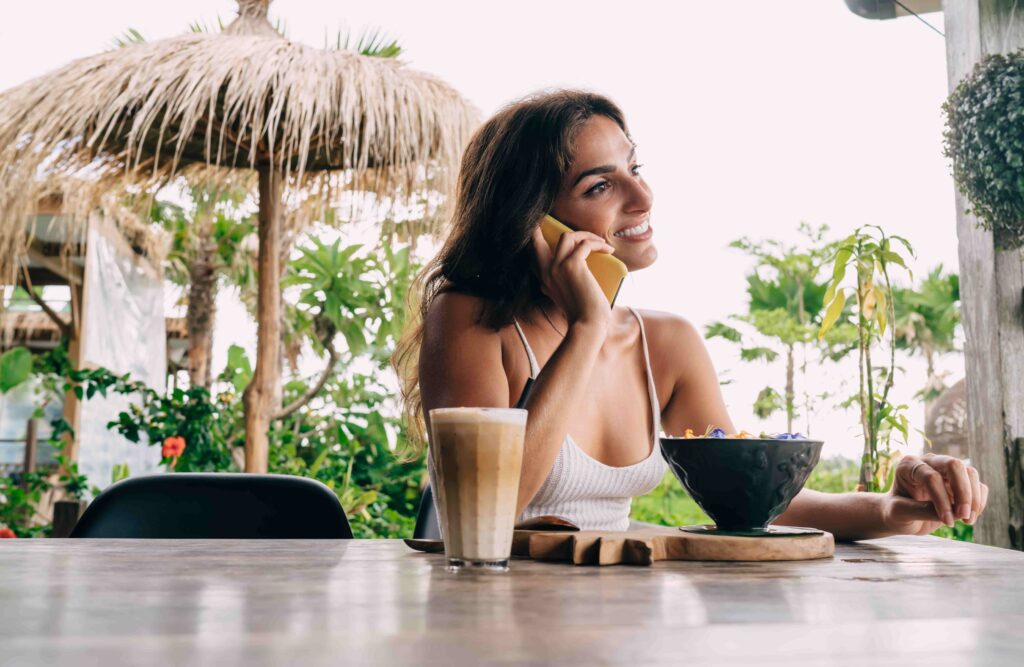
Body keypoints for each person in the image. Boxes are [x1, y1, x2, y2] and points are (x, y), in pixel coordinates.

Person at [393, 89, 988, 540]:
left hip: (605, 630)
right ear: (532, 219)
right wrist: (588, 326)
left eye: (635, 168)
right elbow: (484, 512)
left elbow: (762, 500)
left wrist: (895, 505)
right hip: (480, 622)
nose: (643, 198)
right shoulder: (468, 318)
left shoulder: (666, 343)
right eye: (600, 186)